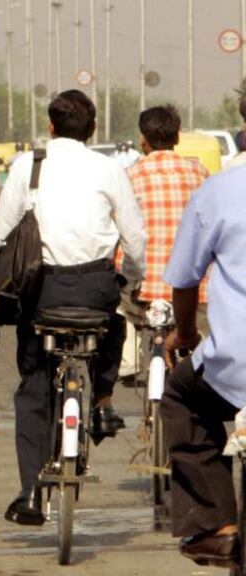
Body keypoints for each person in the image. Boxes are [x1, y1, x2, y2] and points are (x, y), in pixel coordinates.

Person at [0, 90, 146, 526]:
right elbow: (134, 239)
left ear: (51, 126)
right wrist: (131, 279)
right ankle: (102, 400)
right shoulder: (108, 168)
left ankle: (29, 491)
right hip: (96, 285)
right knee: (113, 326)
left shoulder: (29, 165)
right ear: (92, 129)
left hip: (42, 291)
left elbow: (0, 236)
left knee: (34, 386)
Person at [159, 161, 246, 567]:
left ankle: (217, 526)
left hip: (236, 364)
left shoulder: (219, 190)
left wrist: (186, 335)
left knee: (180, 397)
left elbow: (185, 281)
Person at [126, 105, 209, 307]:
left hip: (144, 290)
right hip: (194, 291)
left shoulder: (129, 176)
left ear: (142, 139)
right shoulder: (200, 173)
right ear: (177, 138)